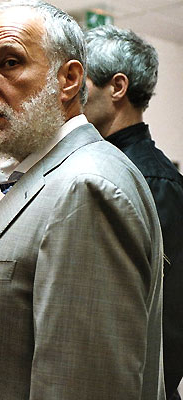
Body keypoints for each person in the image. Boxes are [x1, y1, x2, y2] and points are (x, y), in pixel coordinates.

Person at [0, 1, 165, 399]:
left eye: (9, 62)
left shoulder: (85, 187)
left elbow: (81, 387)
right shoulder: (53, 176)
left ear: (69, 79)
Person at [84, 24, 183, 399]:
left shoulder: (155, 183)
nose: (69, 95)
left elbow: (166, 318)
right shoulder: (93, 166)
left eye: (81, 82)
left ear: (117, 87)